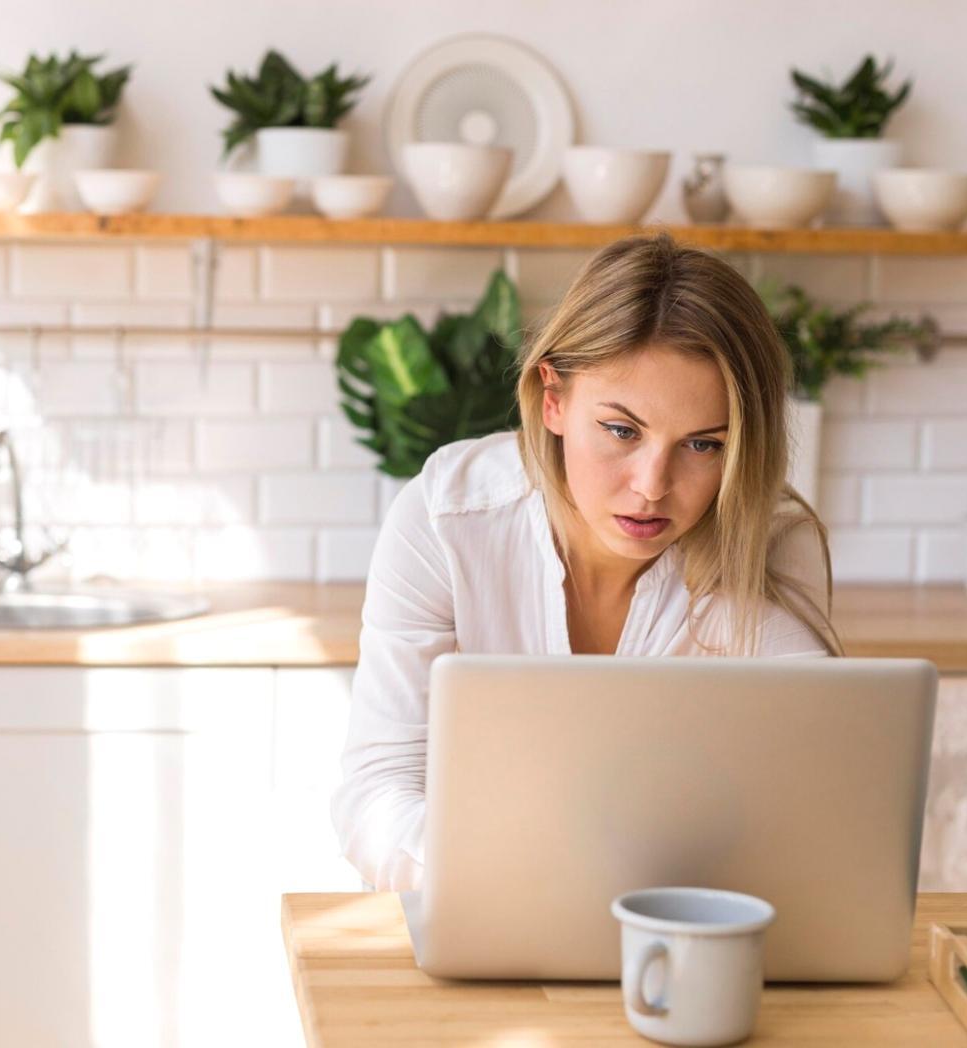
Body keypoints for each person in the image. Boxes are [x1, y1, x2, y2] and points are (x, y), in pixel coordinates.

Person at [330, 233, 845, 892]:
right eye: (622, 431)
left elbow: (813, 800)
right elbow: (378, 789)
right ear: (553, 399)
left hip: (684, 927)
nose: (652, 485)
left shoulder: (770, 545)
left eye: (702, 445)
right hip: (478, 907)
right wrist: (506, 875)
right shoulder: (447, 520)